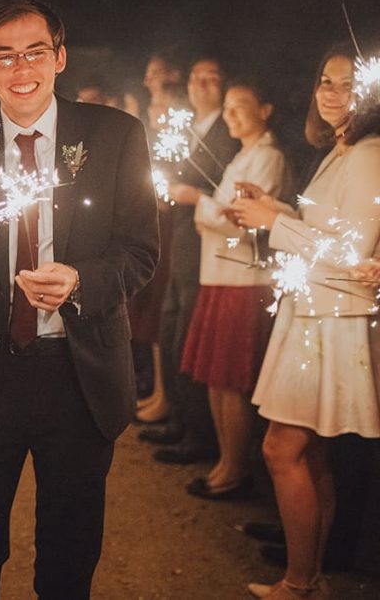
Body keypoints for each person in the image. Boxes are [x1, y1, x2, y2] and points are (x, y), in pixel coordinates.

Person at [0, 0, 159, 599]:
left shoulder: (116, 136)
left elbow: (140, 253)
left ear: (60, 57)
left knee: (68, 558)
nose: (20, 68)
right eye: (2, 56)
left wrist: (80, 281)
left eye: (34, 52)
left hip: (78, 375)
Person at [234, 48, 380, 600]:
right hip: (314, 312)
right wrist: (278, 209)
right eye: (325, 81)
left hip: (333, 319)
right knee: (309, 452)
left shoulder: (369, 151)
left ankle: (299, 583)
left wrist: (275, 222)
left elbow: (354, 251)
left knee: (282, 450)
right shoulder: (341, 150)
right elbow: (327, 231)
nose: (332, 93)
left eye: (347, 85)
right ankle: (309, 577)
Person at [171, 79, 289, 499]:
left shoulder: (269, 158)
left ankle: (235, 468)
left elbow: (242, 217)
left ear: (266, 109)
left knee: (231, 378)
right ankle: (226, 461)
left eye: (242, 106)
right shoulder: (243, 157)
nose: (232, 115)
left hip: (244, 278)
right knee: (215, 379)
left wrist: (195, 201)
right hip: (220, 274)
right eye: (229, 108)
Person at [141, 56, 242, 463]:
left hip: (208, 251)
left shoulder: (227, 132)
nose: (201, 85)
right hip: (180, 242)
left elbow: (218, 190)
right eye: (196, 77)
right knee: (171, 331)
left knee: (189, 337)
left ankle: (200, 435)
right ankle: (180, 420)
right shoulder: (186, 127)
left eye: (211, 78)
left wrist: (188, 193)